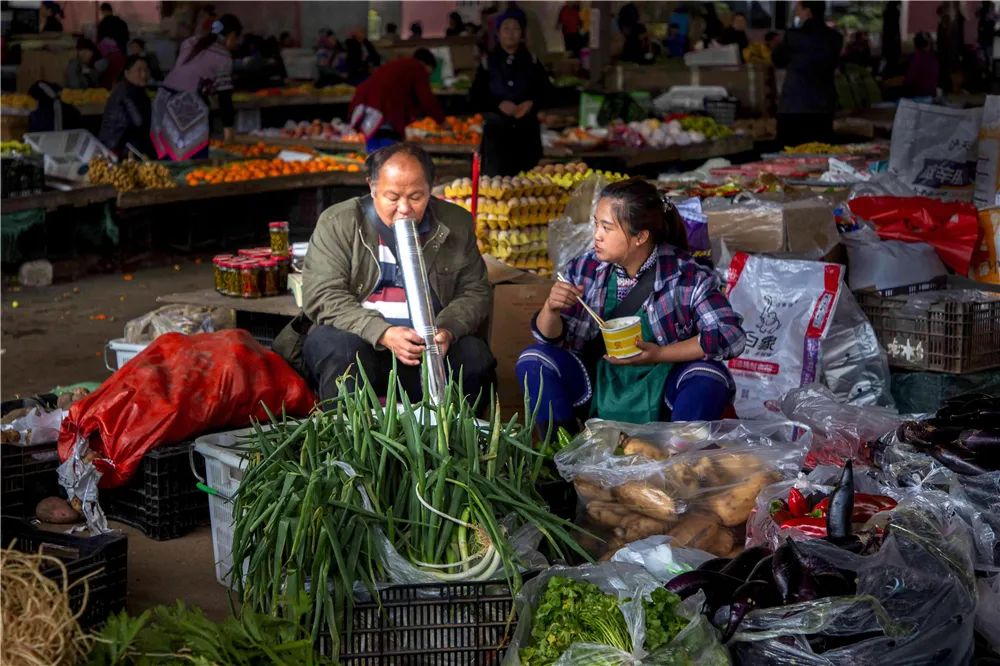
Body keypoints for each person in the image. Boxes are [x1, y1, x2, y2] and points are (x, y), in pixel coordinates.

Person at [516, 179, 745, 430]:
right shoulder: (585, 268)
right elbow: (549, 340)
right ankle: (561, 458)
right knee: (534, 359)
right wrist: (551, 308)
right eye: (596, 224)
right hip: (599, 383)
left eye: (607, 227)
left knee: (708, 377)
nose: (597, 236)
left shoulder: (686, 275)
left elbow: (729, 335)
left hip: (665, 389)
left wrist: (660, 354)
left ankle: (678, 461)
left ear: (641, 236)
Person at [282, 143, 495, 404]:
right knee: (343, 352)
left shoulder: (456, 222)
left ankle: (454, 440)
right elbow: (323, 294)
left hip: (427, 347)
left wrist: (447, 330)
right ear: (372, 188)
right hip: (361, 341)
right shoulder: (339, 222)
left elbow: (475, 290)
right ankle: (351, 440)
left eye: (416, 197)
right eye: (392, 198)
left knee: (475, 358)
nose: (404, 208)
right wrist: (382, 332)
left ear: (431, 189)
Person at [470, 10, 551, 177]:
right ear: (498, 34)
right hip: (497, 136)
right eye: (506, 28)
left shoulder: (532, 61)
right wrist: (498, 104)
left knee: (528, 186)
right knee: (496, 187)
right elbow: (475, 96)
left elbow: (546, 92)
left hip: (526, 135)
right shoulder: (488, 63)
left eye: (515, 28)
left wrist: (531, 103)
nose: (510, 33)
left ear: (522, 34)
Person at [155, 14, 241, 160]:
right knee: (193, 160)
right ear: (231, 36)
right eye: (237, 38)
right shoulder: (223, 57)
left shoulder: (190, 42)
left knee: (168, 157)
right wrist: (228, 128)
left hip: (163, 100)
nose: (237, 43)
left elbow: (187, 73)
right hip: (186, 106)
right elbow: (224, 96)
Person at [772, 1, 843, 147]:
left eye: (798, 10)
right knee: (821, 154)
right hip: (824, 106)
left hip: (794, 106)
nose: (796, 13)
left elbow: (777, 60)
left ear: (808, 12)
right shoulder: (835, 38)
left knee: (788, 158)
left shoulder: (793, 37)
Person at [349, 49, 445, 153]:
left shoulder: (401, 65)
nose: (428, 77)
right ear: (426, 64)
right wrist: (442, 121)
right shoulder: (417, 68)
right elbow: (427, 99)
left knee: (375, 138)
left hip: (367, 100)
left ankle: (374, 163)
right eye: (429, 72)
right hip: (382, 104)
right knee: (389, 144)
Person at [99, 55, 154, 158]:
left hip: (127, 144)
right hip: (116, 147)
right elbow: (139, 121)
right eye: (139, 70)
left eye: (146, 70)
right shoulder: (124, 92)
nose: (144, 75)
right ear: (127, 73)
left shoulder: (138, 91)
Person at [904, 32, 940, 98]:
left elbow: (909, 80)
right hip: (931, 95)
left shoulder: (916, 58)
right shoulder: (933, 58)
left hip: (918, 96)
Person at [880, 1, 902, 75]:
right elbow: (896, 27)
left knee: (887, 58)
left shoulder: (886, 12)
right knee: (893, 60)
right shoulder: (895, 12)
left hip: (887, 39)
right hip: (893, 40)